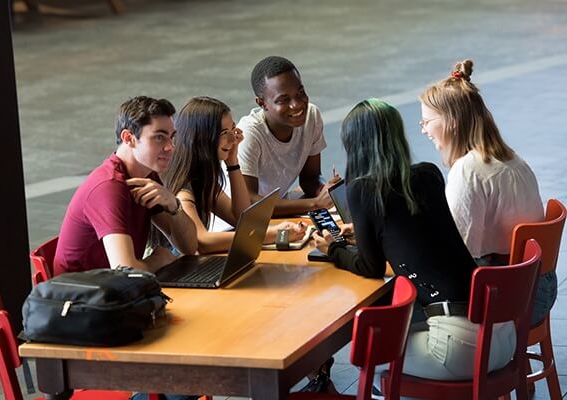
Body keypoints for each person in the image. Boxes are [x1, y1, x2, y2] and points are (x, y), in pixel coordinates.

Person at [313, 99, 516, 380]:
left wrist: (333, 248)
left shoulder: (363, 189)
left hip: (462, 346)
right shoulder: (429, 175)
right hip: (503, 335)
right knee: (402, 332)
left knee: (370, 351)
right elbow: (413, 233)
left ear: (355, 145)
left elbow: (369, 267)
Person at [420, 59, 550, 325]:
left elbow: (459, 254)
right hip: (540, 287)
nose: (424, 130)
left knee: (408, 300)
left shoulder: (468, 171)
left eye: (427, 122)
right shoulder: (513, 158)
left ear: (452, 122)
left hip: (508, 299)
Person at [54, 96, 198, 276]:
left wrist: (173, 204)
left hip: (116, 291)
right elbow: (126, 271)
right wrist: (159, 259)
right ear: (128, 138)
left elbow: (189, 246)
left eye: (171, 138)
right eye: (159, 137)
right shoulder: (109, 187)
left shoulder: (146, 175)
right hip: (84, 298)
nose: (170, 147)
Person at [150, 96, 307, 254]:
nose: (233, 139)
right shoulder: (182, 187)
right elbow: (202, 242)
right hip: (173, 271)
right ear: (202, 138)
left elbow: (240, 218)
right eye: (224, 132)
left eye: (233, 129)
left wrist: (233, 162)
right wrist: (273, 234)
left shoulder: (202, 175)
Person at [237, 56, 338, 216]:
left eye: (300, 93)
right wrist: (315, 203)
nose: (296, 104)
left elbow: (310, 178)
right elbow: (248, 202)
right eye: (283, 100)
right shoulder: (250, 134)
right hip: (236, 225)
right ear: (262, 103)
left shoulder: (311, 115)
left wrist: (324, 190)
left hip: (276, 211)